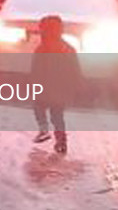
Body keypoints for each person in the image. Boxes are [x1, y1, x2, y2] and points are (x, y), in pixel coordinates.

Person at [30, 15, 82, 154]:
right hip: (61, 89)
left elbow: (36, 69)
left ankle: (44, 129)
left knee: (38, 106)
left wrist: (33, 84)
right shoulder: (68, 48)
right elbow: (75, 69)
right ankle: (61, 141)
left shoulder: (41, 49)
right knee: (57, 116)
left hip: (45, 87)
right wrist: (76, 86)